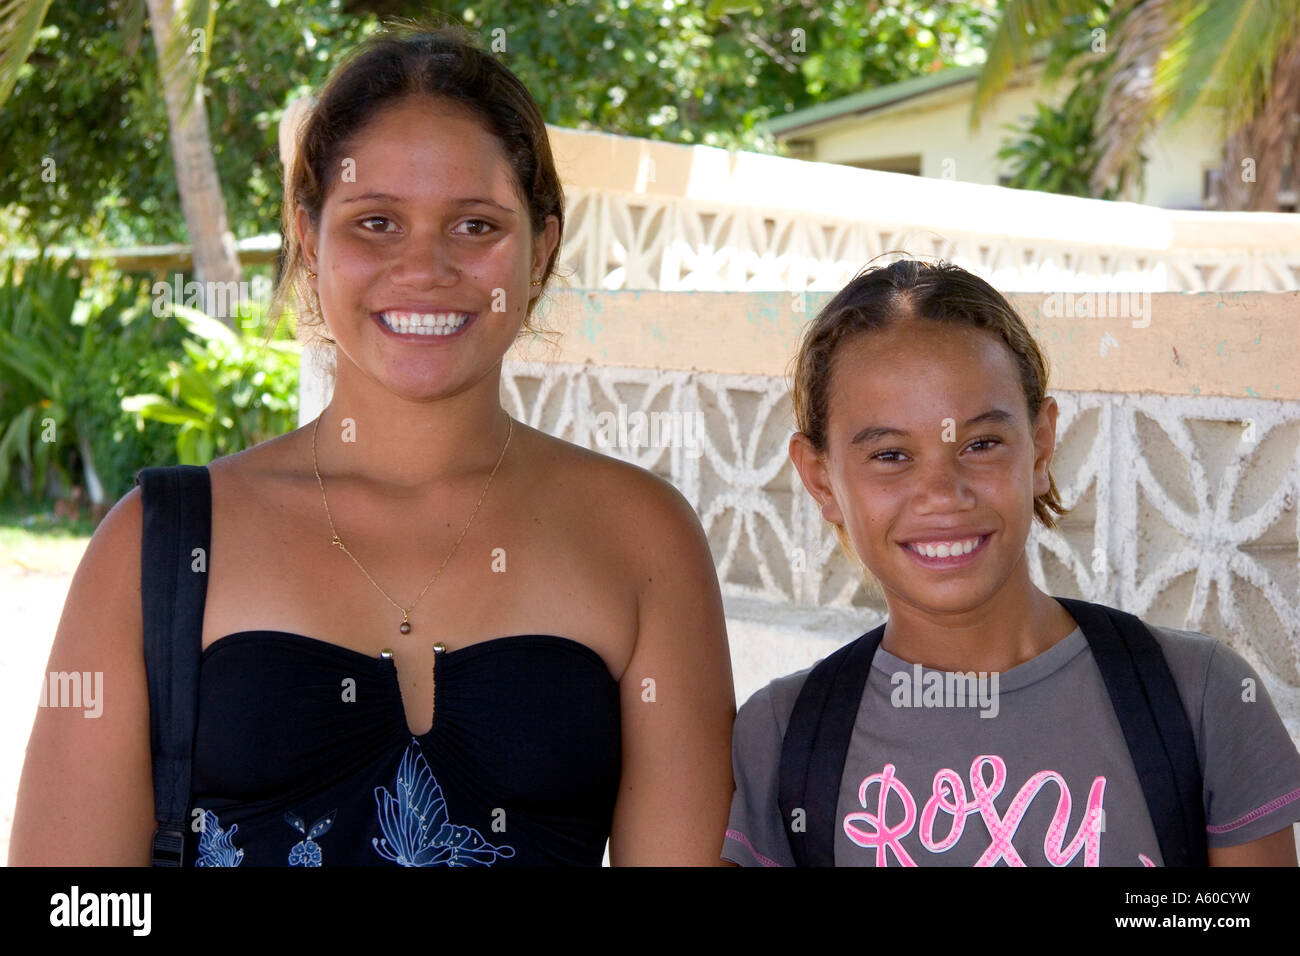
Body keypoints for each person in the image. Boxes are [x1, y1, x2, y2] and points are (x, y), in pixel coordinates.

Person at [10, 21, 735, 867]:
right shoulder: (160, 544)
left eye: (475, 226)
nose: (424, 267)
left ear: (542, 250)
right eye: (377, 221)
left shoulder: (641, 538)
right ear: (309, 236)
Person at [721, 258, 1300, 867]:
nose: (943, 493)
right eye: (891, 455)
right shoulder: (785, 737)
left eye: (981, 444)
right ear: (820, 479)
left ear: (1041, 446)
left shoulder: (1198, 695)